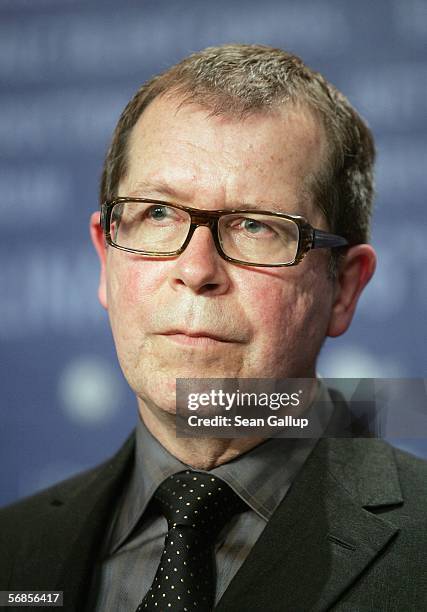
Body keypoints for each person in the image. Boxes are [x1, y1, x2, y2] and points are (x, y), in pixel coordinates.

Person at [1, 44, 426, 612]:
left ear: (344, 288)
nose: (196, 270)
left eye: (255, 225)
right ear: (105, 261)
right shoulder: (14, 551)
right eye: (157, 213)